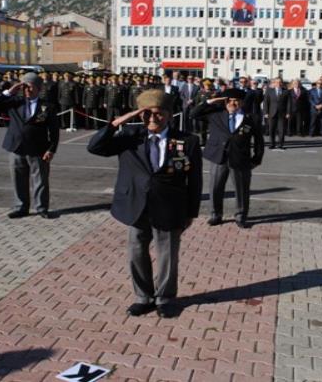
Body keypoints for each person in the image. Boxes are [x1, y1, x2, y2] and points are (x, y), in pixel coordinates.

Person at [87, 89, 202, 319]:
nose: (152, 119)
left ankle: (165, 298)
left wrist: (191, 212)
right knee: (136, 251)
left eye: (159, 114)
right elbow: (95, 147)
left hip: (170, 206)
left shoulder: (187, 141)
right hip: (135, 204)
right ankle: (143, 297)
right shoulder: (130, 135)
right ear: (139, 114)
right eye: (147, 114)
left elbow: (195, 180)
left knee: (167, 254)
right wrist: (117, 123)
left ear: (169, 115)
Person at [0, 72, 60, 219]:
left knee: (40, 180)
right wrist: (9, 92)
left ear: (39, 88)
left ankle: (41, 208)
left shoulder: (47, 106)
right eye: (24, 86)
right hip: (16, 147)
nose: (27, 89)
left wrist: (51, 149)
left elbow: (54, 130)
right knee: (18, 179)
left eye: (31, 86)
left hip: (38, 149)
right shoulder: (15, 101)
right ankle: (20, 207)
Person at [191, 88, 264, 229]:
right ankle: (216, 214)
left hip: (240, 158)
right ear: (225, 102)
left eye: (236, 101)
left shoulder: (251, 118)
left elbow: (259, 141)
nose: (233, 103)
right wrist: (210, 101)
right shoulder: (216, 114)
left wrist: (256, 159)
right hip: (219, 157)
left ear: (241, 102)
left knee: (241, 189)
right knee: (215, 188)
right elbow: (194, 114)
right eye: (229, 100)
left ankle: (241, 216)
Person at [264, 78, 291, 149]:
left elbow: (288, 103)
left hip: (282, 114)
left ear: (281, 83)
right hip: (271, 113)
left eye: (279, 82)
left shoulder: (286, 91)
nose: (278, 84)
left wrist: (288, 112)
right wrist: (266, 112)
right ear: (274, 83)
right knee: (272, 130)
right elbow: (266, 102)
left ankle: (280, 144)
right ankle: (272, 144)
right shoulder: (269, 91)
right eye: (276, 82)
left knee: (281, 130)